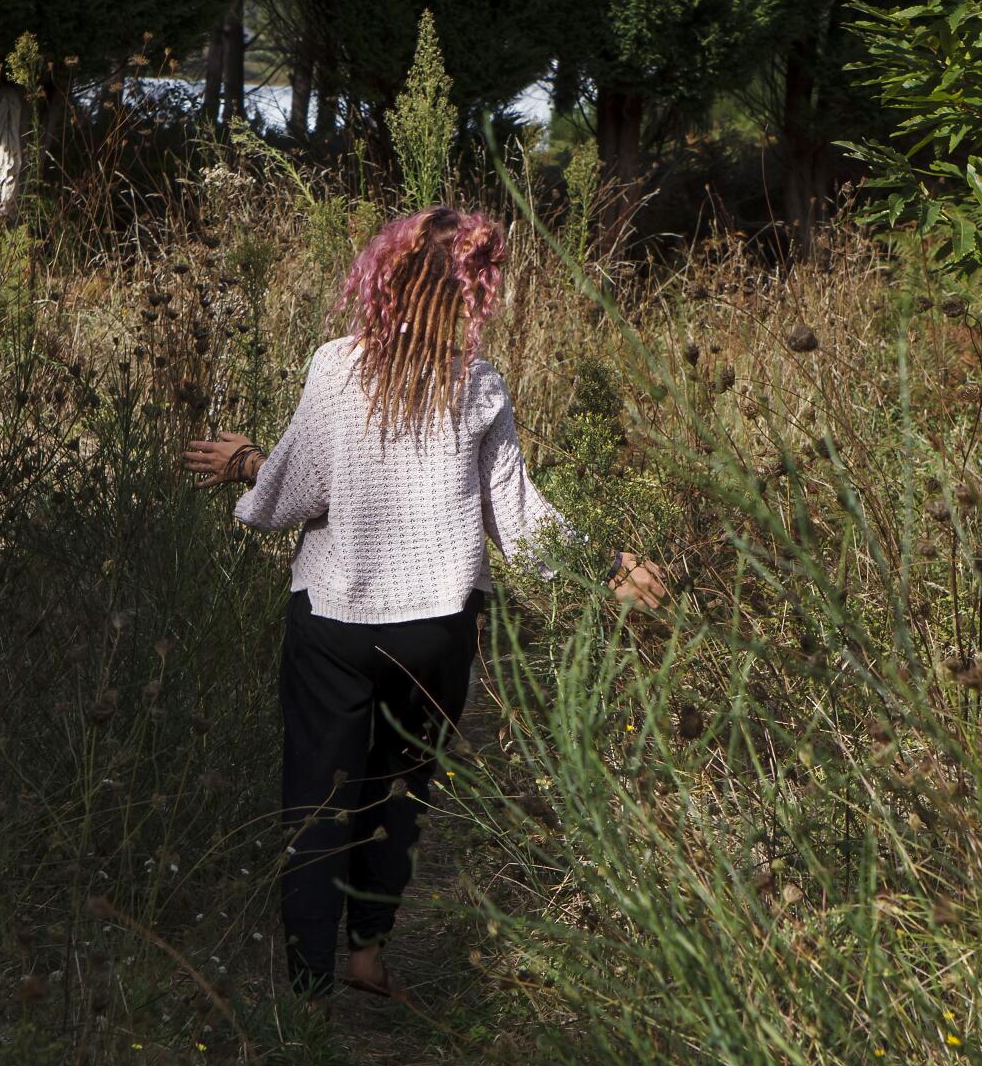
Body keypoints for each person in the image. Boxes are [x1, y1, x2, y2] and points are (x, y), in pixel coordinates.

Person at [181, 206, 666, 1001]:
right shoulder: (477, 385)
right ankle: (369, 952)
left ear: (387, 279)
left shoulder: (336, 368)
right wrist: (601, 565)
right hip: (438, 628)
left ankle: (306, 996)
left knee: (318, 795)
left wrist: (245, 465)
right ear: (471, 291)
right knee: (399, 783)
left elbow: (287, 499)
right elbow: (517, 518)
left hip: (335, 618)